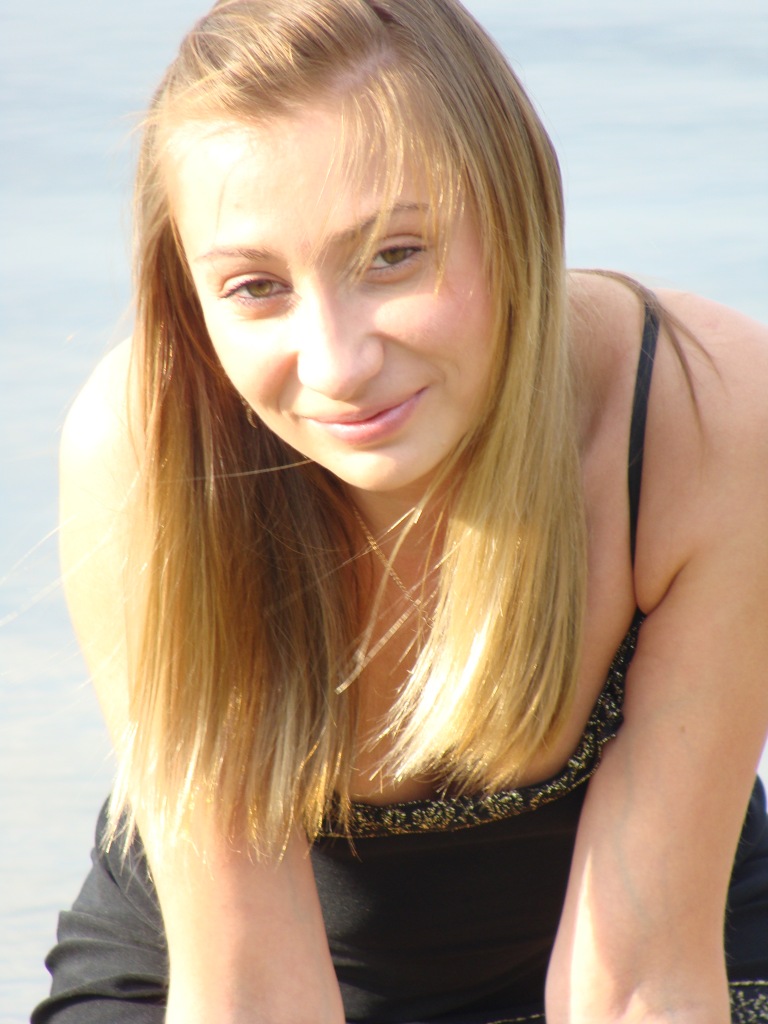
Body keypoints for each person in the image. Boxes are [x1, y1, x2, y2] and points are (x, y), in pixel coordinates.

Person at [32, 1, 768, 1021]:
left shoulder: (703, 411)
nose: (337, 365)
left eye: (393, 255)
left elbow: (641, 979)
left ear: (517, 212)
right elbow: (250, 989)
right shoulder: (143, 449)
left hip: (681, 928)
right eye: (255, 286)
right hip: (217, 959)